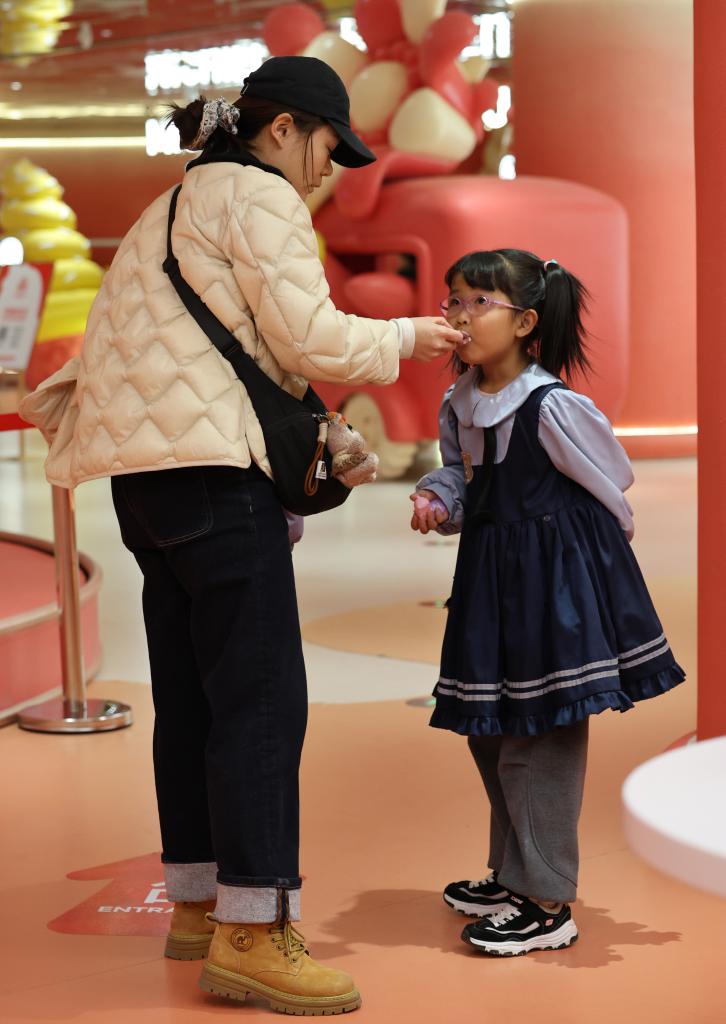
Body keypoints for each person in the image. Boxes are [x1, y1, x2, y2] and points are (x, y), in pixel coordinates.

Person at [21, 57, 463, 1015]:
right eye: (327, 147)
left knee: (191, 699)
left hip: (145, 486)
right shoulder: (259, 198)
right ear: (282, 129)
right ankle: (256, 933)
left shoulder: (168, 206)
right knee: (261, 704)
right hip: (218, 481)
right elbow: (312, 339)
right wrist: (408, 337)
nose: (327, 169)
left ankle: (197, 905)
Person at [410, 249, 684, 957]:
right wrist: (439, 497)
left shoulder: (552, 404)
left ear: (525, 323)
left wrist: (591, 577)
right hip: (491, 581)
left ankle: (548, 900)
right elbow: (463, 477)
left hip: (551, 585)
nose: (460, 314)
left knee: (541, 733)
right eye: (454, 299)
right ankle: (515, 874)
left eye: (479, 302)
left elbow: (610, 477)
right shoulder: (461, 400)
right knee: (491, 729)